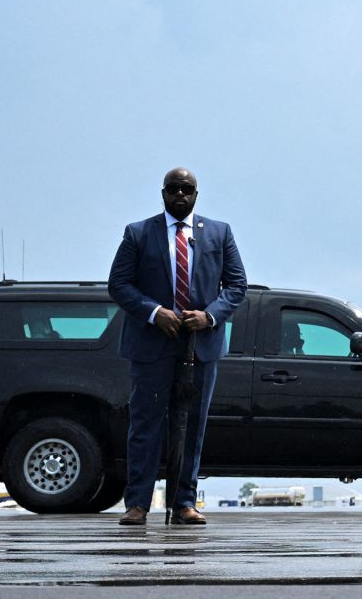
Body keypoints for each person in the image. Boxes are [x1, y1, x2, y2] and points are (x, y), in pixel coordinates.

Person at [108, 168, 248, 526]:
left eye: (187, 189)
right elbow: (119, 284)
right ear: (163, 193)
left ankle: (185, 502)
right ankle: (137, 504)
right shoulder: (138, 233)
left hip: (200, 346)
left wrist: (210, 316)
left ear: (197, 194)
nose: (180, 195)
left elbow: (236, 286)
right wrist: (155, 313)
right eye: (174, 189)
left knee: (192, 426)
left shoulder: (219, 232)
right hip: (152, 345)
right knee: (145, 426)